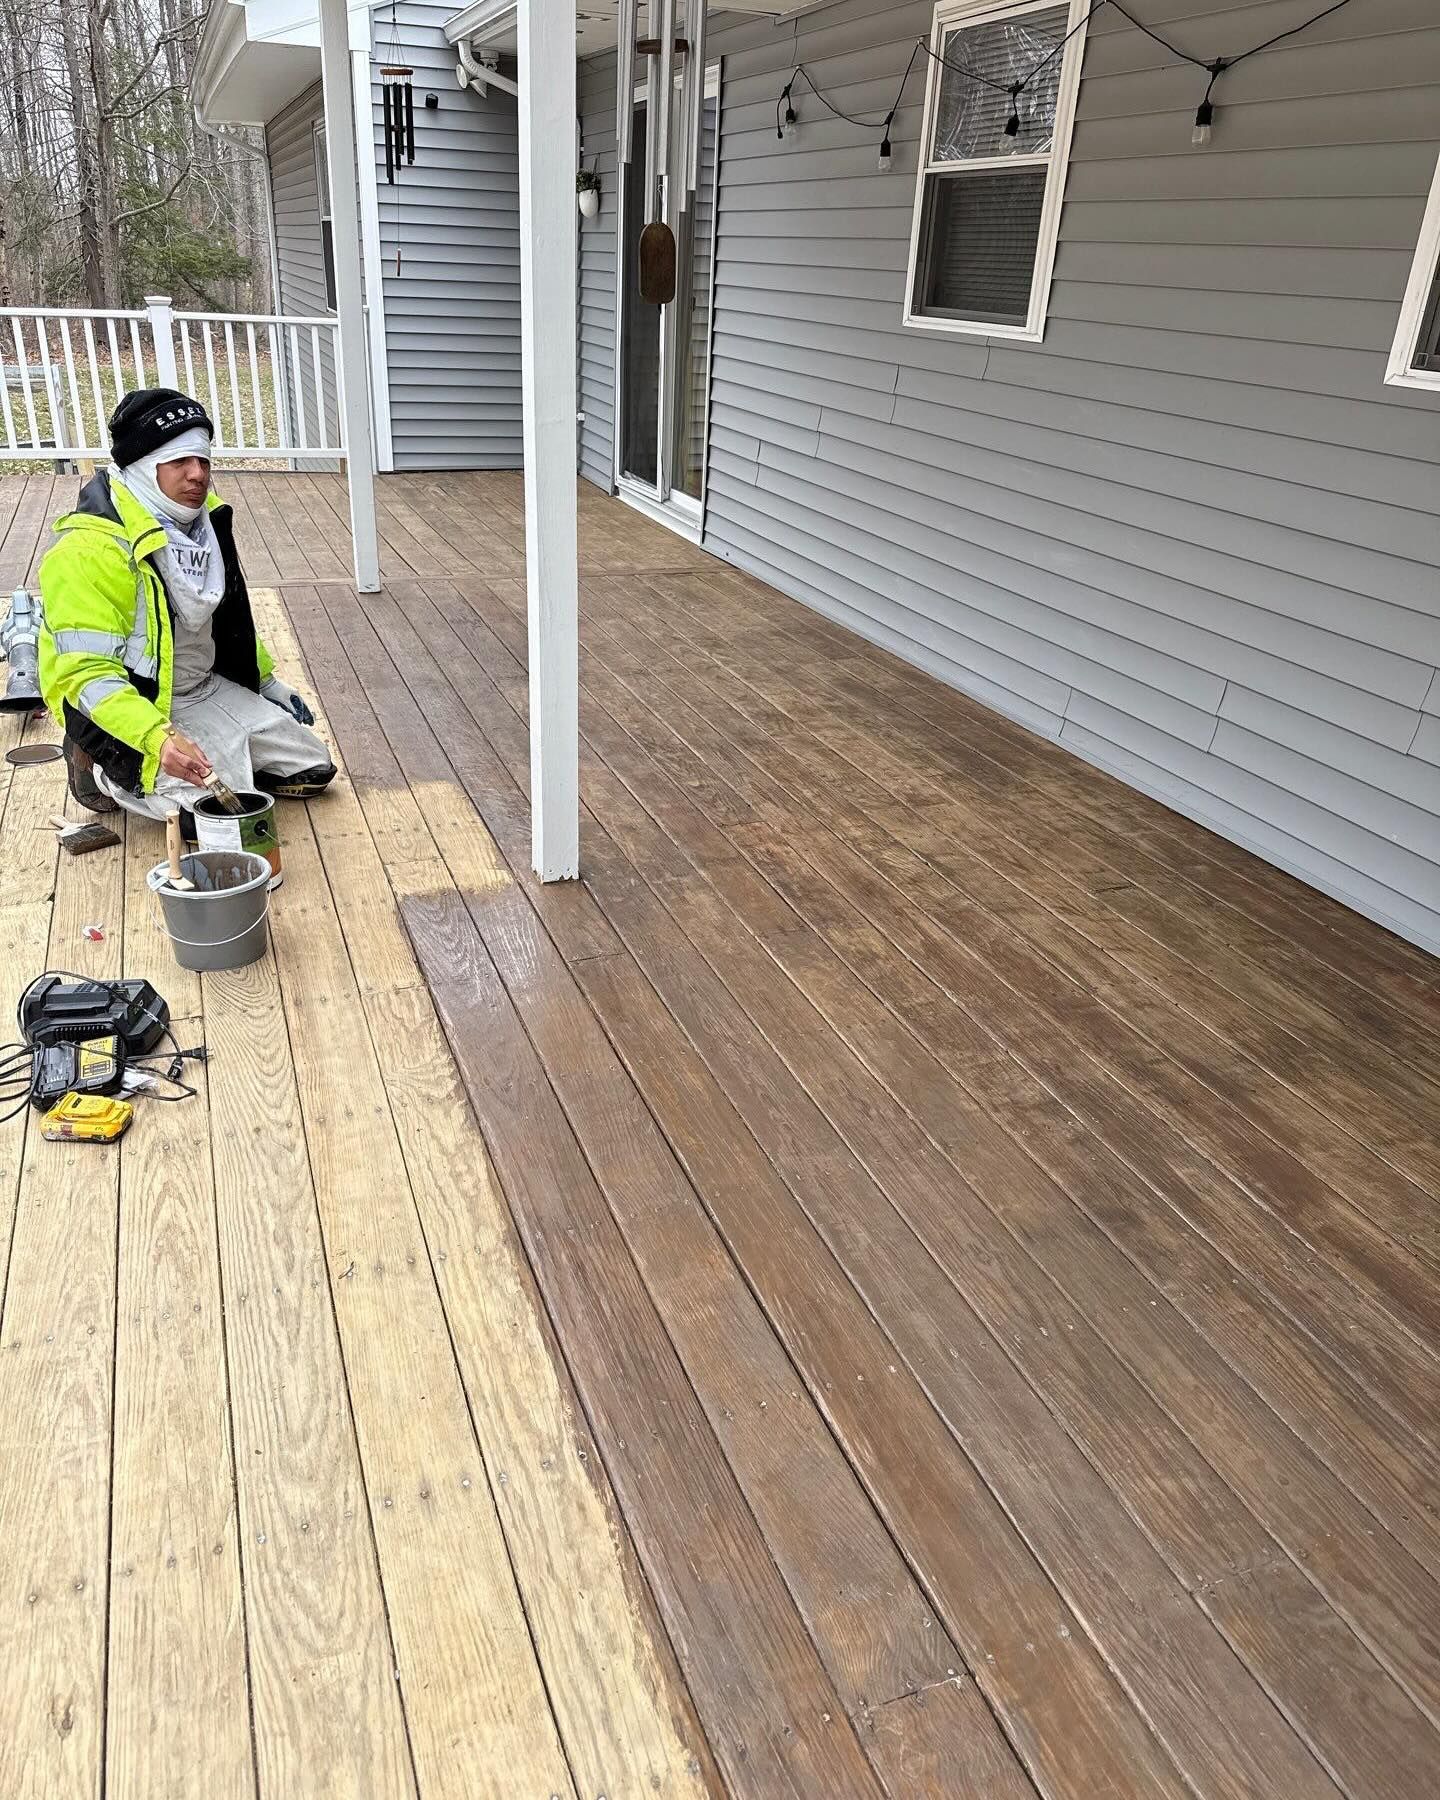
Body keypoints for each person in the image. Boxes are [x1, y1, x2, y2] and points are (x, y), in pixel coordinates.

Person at [38, 387, 336, 824]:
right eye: (179, 461)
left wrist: (268, 682)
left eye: (203, 461)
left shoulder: (206, 522)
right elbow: (85, 675)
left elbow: (231, 619)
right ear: (142, 466)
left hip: (201, 685)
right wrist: (155, 739)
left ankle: (223, 756)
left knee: (312, 769)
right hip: (131, 706)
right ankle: (97, 767)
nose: (197, 475)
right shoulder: (88, 550)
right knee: (216, 814)